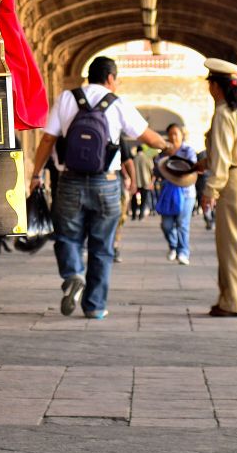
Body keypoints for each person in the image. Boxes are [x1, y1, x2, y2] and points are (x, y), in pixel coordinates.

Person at [29, 56, 167, 319]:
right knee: (101, 247)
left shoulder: (67, 98)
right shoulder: (118, 103)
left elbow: (47, 138)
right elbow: (146, 135)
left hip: (69, 181)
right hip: (107, 183)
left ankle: (72, 274)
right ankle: (94, 306)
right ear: (111, 78)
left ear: (88, 75)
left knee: (67, 236)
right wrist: (167, 146)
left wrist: (36, 174)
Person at [200, 58, 237, 317]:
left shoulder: (224, 113)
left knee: (231, 245)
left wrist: (210, 191)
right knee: (233, 243)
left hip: (233, 183)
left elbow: (223, 157)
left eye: (210, 84)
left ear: (216, 86)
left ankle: (236, 302)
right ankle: (227, 297)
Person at [157, 123, 197, 265]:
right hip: (168, 191)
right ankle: (173, 246)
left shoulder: (188, 150)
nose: (173, 137)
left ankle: (183, 251)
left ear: (182, 135)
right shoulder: (163, 151)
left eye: (176, 133)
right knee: (166, 224)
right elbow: (158, 167)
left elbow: (191, 167)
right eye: (171, 134)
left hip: (186, 192)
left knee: (182, 223)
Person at [113, 137, 136, 263]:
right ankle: (114, 247)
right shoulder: (117, 134)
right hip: (114, 183)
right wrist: (133, 181)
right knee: (117, 218)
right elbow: (128, 162)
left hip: (79, 181)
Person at [131, 145, 154, 220]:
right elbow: (152, 170)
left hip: (135, 181)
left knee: (134, 199)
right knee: (144, 200)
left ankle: (134, 215)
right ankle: (141, 215)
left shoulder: (133, 159)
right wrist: (152, 181)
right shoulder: (147, 158)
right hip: (145, 182)